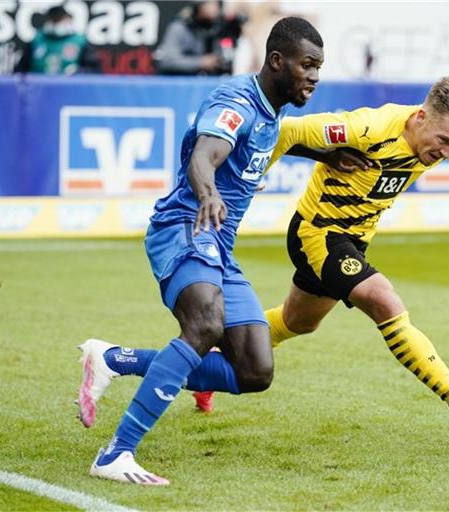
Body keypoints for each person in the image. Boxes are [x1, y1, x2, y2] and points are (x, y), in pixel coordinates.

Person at [196, 76, 449, 428]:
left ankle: (212, 365)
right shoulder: (367, 128)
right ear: (419, 117)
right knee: (384, 299)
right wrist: (254, 175)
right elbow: (288, 132)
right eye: (444, 141)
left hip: (352, 240)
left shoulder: (447, 137)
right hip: (319, 234)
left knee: (296, 323)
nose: (447, 153)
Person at [77, 16, 325, 486]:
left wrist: (332, 155)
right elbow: (204, 154)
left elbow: (285, 141)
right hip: (186, 225)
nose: (314, 75)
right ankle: (117, 452)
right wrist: (208, 192)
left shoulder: (275, 112)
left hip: (219, 244)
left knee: (254, 370)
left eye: (319, 67)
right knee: (205, 326)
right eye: (306, 65)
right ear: (277, 61)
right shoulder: (235, 101)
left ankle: (114, 359)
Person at [153, 1, 247, 76]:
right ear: (197, 6)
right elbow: (167, 61)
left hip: (215, 83)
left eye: (215, 3)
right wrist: (201, 62)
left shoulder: (223, 27)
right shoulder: (181, 27)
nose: (213, 7)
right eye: (208, 3)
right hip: (183, 84)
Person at [15, 5, 100, 75]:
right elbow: (19, 71)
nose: (56, 23)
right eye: (53, 19)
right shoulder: (37, 41)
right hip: (38, 90)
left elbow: (95, 71)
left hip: (69, 90)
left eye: (59, 19)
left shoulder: (80, 42)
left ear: (68, 20)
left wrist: (80, 71)